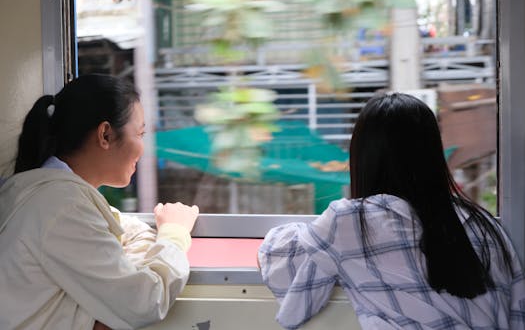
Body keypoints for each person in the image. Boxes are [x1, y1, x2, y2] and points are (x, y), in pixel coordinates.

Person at [258, 93, 525, 330]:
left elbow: (285, 270)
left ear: (363, 157)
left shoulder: (352, 221)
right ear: (433, 154)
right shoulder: (483, 224)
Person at [0, 74, 199, 330]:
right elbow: (144, 302)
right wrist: (174, 236)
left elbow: (120, 229)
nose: (143, 147)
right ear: (105, 134)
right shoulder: (61, 207)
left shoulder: (52, 197)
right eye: (139, 134)